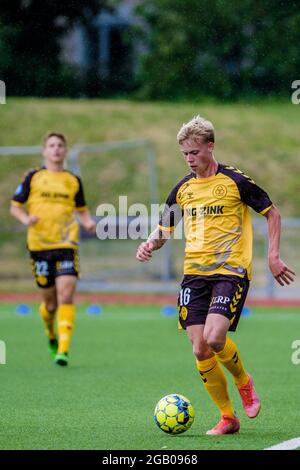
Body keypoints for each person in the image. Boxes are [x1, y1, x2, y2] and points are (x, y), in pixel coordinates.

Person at [136, 115, 295, 435]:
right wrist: (150, 243)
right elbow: (165, 229)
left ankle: (243, 382)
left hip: (231, 271)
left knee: (214, 337)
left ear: (210, 146)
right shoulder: (182, 189)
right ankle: (227, 417)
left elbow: (272, 212)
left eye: (194, 152)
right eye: (185, 154)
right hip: (194, 275)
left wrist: (273, 256)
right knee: (199, 348)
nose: (190, 159)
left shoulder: (235, 181)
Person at [10, 132, 96, 367]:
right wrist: (26, 219)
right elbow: (15, 206)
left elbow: (82, 209)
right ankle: (51, 334)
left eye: (60, 146)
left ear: (65, 151)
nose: (56, 149)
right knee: (50, 304)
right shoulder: (33, 177)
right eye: (52, 145)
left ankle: (63, 350)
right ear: (44, 151)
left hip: (67, 244)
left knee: (66, 295)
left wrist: (88, 222)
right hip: (39, 245)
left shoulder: (73, 180)